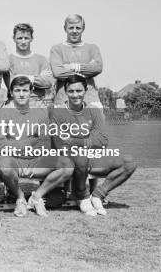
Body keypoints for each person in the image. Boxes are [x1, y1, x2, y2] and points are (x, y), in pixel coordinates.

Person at [50, 75, 137, 216]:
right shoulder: (57, 112)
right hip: (70, 160)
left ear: (85, 90)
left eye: (79, 91)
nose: (75, 95)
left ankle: (98, 195)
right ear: (65, 92)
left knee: (129, 162)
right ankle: (82, 196)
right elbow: (60, 144)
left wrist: (73, 140)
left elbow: (102, 140)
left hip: (92, 157)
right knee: (80, 158)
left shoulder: (94, 111)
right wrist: (88, 141)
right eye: (71, 91)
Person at [0, 76, 74, 217]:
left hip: (36, 159)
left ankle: (36, 197)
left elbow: (45, 143)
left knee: (67, 165)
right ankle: (20, 197)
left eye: (25, 90)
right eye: (17, 90)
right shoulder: (2, 113)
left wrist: (22, 146)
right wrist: (28, 142)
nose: (21, 94)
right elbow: (0, 144)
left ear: (31, 92)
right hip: (14, 160)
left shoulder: (41, 113)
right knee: (4, 166)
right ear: (11, 93)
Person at [50, 14, 103, 107]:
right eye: (71, 28)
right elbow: (58, 73)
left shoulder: (92, 48)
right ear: (65, 28)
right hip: (63, 100)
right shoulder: (57, 49)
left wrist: (72, 67)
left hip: (90, 99)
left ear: (83, 28)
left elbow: (97, 68)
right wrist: (87, 69)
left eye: (78, 28)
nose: (74, 31)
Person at [6, 23, 54, 108]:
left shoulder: (41, 59)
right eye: (20, 38)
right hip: (17, 103)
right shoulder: (8, 60)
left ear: (31, 39)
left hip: (39, 102)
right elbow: (12, 83)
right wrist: (37, 78)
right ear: (14, 39)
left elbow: (48, 82)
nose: (23, 41)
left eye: (26, 38)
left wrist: (20, 76)